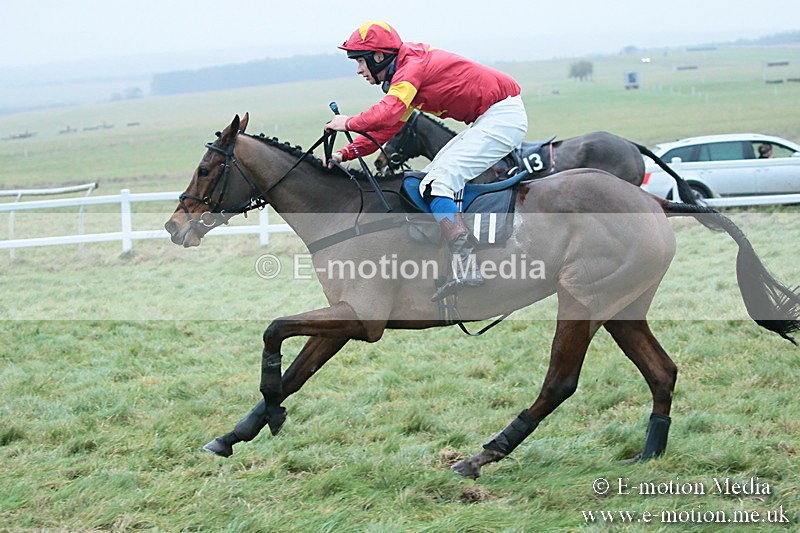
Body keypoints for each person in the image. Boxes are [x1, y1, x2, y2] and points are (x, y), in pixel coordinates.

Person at [324, 21, 528, 298]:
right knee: (429, 181)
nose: (359, 70)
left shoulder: (411, 68)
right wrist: (344, 153)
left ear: (379, 56)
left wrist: (347, 122)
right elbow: (387, 128)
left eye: (360, 61)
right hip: (490, 117)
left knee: (436, 184)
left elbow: (387, 112)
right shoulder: (404, 74)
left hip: (501, 117)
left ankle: (468, 265)